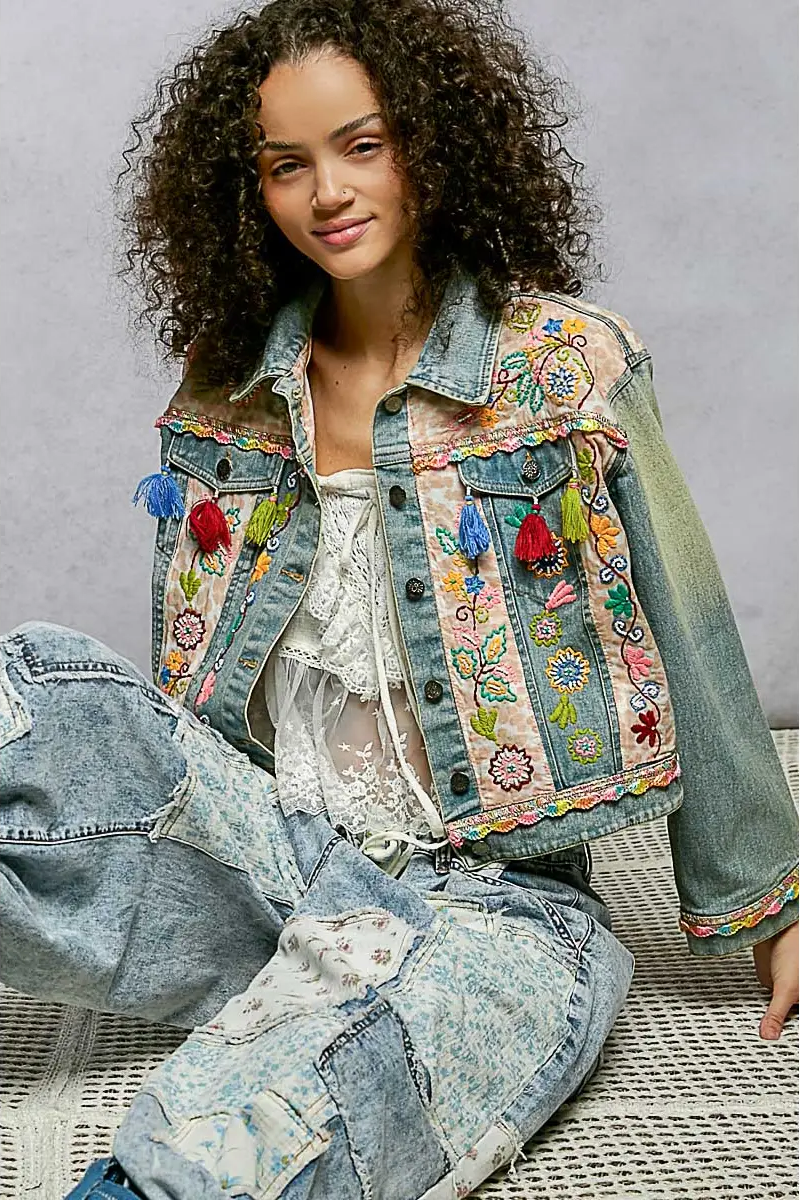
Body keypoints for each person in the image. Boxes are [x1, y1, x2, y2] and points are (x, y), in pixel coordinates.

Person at [1, 1, 797, 1197]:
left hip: (496, 903)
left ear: (433, 142)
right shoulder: (228, 388)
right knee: (30, 687)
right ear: (247, 193)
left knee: (292, 1099)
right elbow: (187, 709)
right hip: (276, 859)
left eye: (362, 145)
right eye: (286, 165)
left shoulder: (565, 367)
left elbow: (689, 632)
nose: (328, 191)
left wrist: (767, 901)